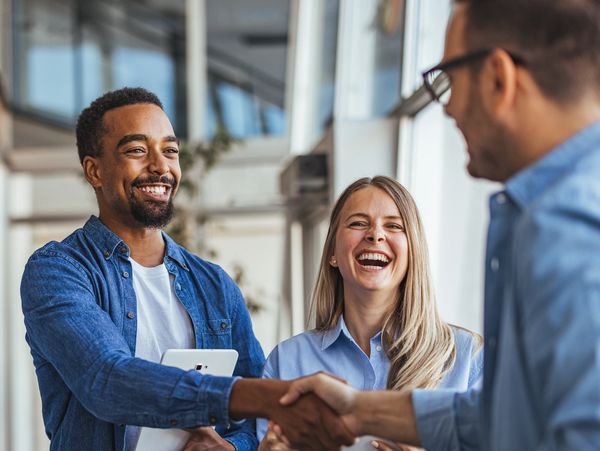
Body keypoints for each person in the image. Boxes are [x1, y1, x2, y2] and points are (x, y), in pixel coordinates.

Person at [280, 0, 600, 449]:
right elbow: (499, 419)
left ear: (497, 78)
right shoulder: (543, 212)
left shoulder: (567, 223)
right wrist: (355, 408)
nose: (446, 109)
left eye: (448, 78)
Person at [20, 87, 354, 451]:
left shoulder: (213, 285)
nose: (160, 166)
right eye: (137, 150)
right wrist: (266, 395)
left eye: (170, 151)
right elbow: (106, 380)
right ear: (94, 170)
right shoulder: (59, 271)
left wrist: (233, 447)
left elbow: (253, 421)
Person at [258, 176, 482, 450]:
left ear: (413, 252)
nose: (375, 234)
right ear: (332, 253)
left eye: (394, 226)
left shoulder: (468, 359)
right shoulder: (287, 362)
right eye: (358, 223)